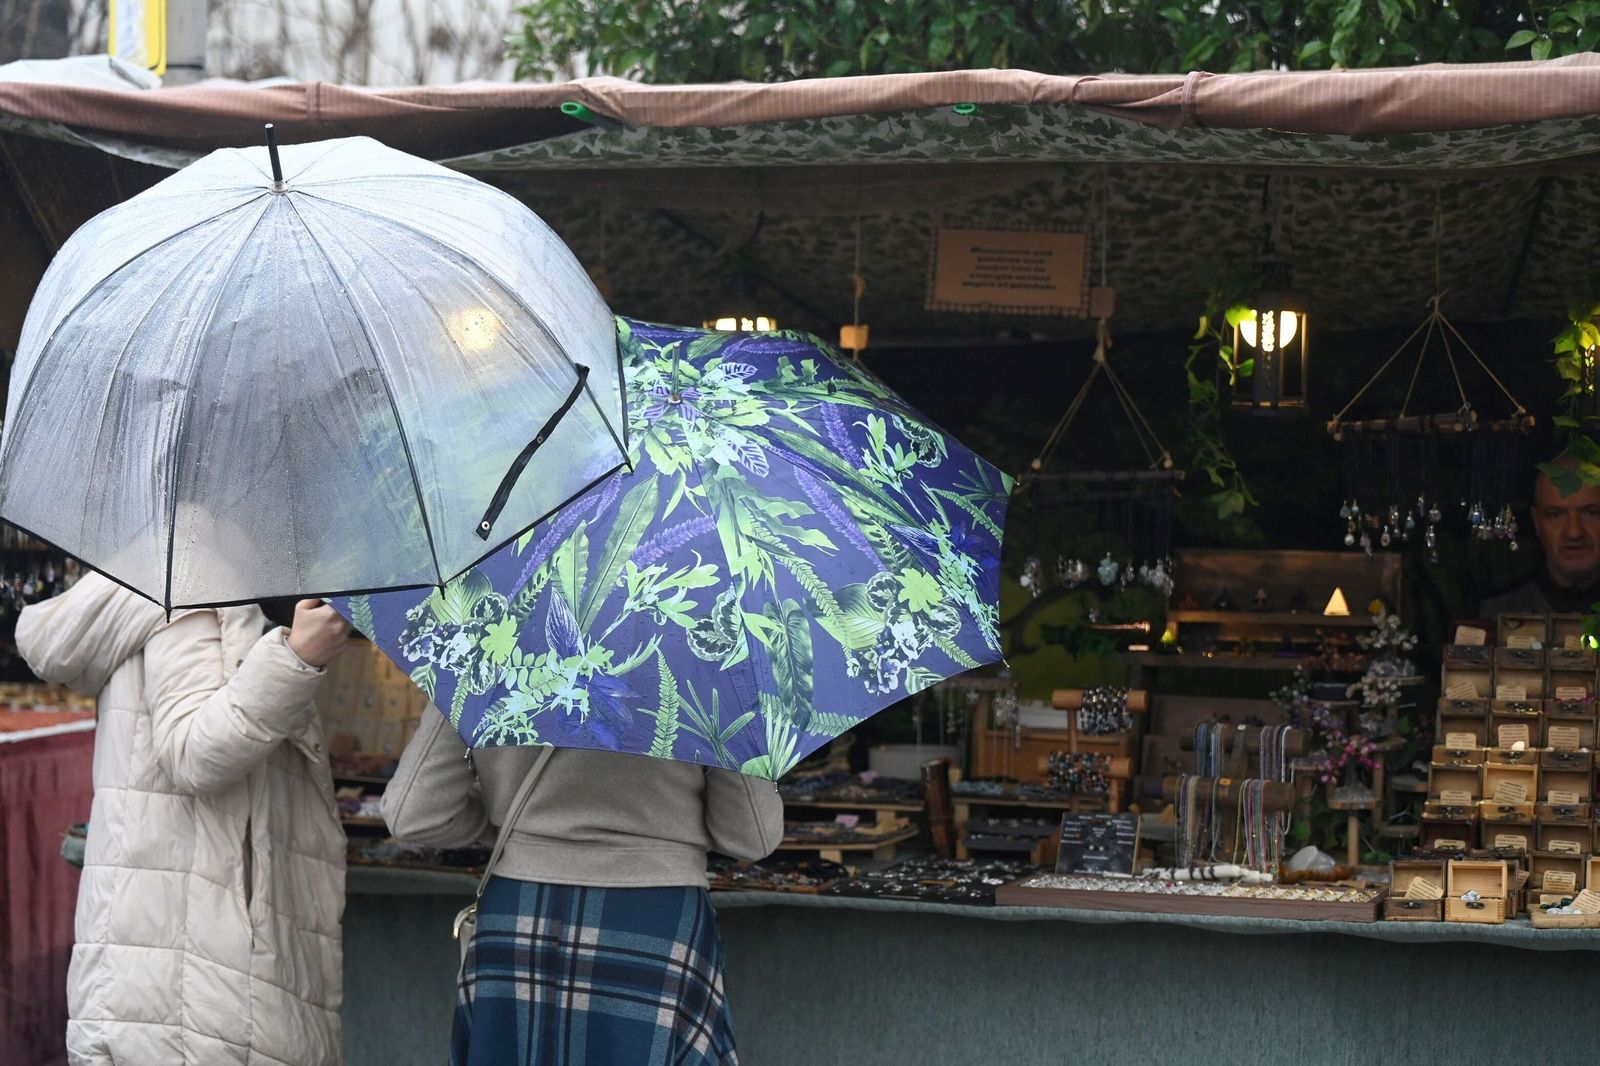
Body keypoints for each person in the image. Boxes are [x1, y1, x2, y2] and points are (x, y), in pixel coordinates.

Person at [17, 575, 351, 1066]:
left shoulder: (178, 578)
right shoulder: (196, 582)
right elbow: (194, 751)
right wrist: (297, 656)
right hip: (193, 986)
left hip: (177, 966)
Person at [382, 711, 785, 1065]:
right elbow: (752, 836)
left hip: (520, 915)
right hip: (657, 922)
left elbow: (411, 814)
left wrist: (514, 834)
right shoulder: (705, 662)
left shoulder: (485, 645)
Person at [1481, 457, 1600, 617]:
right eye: (1556, 514)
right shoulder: (1496, 613)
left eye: (1591, 513)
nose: (1574, 532)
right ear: (1537, 522)